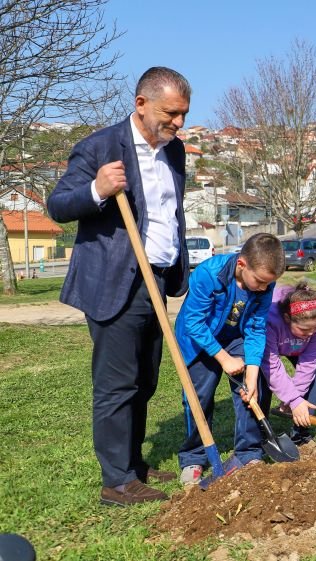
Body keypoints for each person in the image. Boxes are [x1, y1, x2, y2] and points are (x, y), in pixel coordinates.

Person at [47, 67, 192, 506]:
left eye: (184, 114)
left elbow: (169, 214)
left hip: (158, 279)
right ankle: (116, 481)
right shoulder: (100, 147)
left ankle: (133, 463)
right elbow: (57, 206)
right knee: (116, 384)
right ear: (141, 103)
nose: (179, 123)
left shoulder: (175, 152)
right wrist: (97, 188)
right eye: (171, 113)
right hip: (117, 282)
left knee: (145, 379)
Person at [175, 233, 284, 485]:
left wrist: (253, 373)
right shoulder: (208, 274)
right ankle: (194, 456)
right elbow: (194, 322)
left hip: (235, 335)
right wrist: (223, 359)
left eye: (269, 284)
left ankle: (248, 452)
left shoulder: (264, 284)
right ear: (241, 264)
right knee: (198, 396)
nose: (264, 288)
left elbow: (256, 328)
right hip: (199, 338)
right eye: (259, 281)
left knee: (253, 390)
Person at [261, 281, 316, 446]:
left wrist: (294, 399)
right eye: (305, 330)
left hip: (300, 349)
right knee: (259, 378)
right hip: (271, 346)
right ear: (287, 318)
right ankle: (260, 430)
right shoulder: (269, 319)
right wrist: (292, 399)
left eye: (315, 329)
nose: (311, 333)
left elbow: (309, 362)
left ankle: (301, 431)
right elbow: (271, 365)